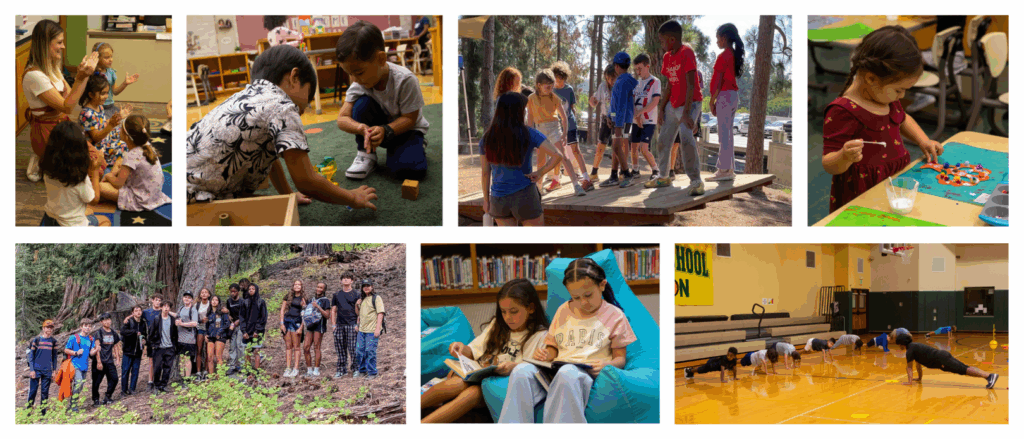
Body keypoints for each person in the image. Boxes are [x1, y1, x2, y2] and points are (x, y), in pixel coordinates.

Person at [187, 45, 376, 210]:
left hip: (183, 180)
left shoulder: (247, 95)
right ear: (294, 77)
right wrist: (352, 197)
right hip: (195, 198)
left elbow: (269, 157)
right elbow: (306, 181)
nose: (304, 109)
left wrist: (287, 194)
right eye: (308, 96)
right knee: (268, 211)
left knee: (272, 202)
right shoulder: (282, 106)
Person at [498, 258, 636, 423]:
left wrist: (608, 365)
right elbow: (553, 348)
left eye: (588, 295)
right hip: (554, 371)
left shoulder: (615, 316)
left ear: (602, 285)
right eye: (576, 297)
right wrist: (546, 355)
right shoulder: (563, 310)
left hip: (584, 374)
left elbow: (620, 358)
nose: (583, 302)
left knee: (567, 372)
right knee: (521, 370)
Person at [822, 26, 942, 213]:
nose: (901, 96)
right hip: (862, 193)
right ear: (871, 78)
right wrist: (844, 156)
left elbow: (902, 119)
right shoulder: (843, 110)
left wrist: (923, 140)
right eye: (898, 89)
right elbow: (829, 163)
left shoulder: (885, 96)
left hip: (896, 181)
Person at [422, 279, 548, 423]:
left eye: (513, 312)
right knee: (456, 383)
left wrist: (513, 367)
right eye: (503, 312)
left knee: (473, 394)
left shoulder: (539, 336)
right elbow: (474, 350)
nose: (507, 317)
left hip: (500, 386)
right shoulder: (498, 324)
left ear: (531, 308)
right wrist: (461, 349)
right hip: (481, 374)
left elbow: (533, 372)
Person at [336, 21, 430, 182]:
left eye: (358, 72)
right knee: (360, 105)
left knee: (409, 171)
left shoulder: (405, 80)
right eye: (349, 74)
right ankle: (366, 154)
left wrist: (387, 130)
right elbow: (342, 119)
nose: (354, 80)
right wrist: (361, 128)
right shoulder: (360, 83)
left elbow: (410, 118)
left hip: (407, 130)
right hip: (377, 133)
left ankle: (415, 145)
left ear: (381, 58)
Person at [481, 92, 576, 226]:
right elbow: (558, 155)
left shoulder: (487, 138)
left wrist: (486, 200)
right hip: (525, 197)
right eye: (525, 108)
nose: (527, 111)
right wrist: (540, 173)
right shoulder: (529, 133)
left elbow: (485, 173)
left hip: (498, 199)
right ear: (518, 111)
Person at [22, 19, 98, 181]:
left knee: (96, 159)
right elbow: (68, 106)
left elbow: (72, 99)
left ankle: (45, 162)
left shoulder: (52, 68)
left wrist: (84, 75)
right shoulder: (34, 75)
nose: (63, 47)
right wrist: (80, 77)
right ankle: (41, 161)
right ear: (45, 44)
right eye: (59, 42)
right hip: (47, 133)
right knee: (87, 171)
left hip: (62, 126)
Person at [648, 20, 704, 194]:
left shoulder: (686, 52)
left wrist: (687, 114)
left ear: (672, 39)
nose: (662, 45)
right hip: (673, 104)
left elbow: (691, 85)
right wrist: (662, 108)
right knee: (664, 140)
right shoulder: (667, 57)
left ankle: (696, 181)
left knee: (687, 138)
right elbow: (670, 85)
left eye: (663, 41)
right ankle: (664, 177)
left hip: (690, 103)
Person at [528, 69, 588, 196]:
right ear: (539, 85)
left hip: (554, 128)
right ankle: (538, 188)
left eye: (552, 86)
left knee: (563, 157)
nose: (551, 89)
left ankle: (576, 186)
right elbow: (530, 121)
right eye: (548, 87)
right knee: (541, 159)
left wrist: (564, 133)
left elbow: (564, 118)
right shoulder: (531, 98)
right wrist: (530, 138)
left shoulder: (555, 98)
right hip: (540, 130)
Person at [39, 121, 110, 227]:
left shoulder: (47, 169)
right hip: (72, 225)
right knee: (105, 221)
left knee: (89, 211)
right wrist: (95, 171)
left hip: (50, 220)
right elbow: (94, 200)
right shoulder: (79, 178)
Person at [98, 115, 172, 212]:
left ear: (126, 137)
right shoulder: (147, 146)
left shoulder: (131, 156)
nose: (119, 130)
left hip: (139, 199)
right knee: (119, 163)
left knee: (99, 187)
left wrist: (108, 175)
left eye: (121, 128)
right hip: (153, 195)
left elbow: (118, 184)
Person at [707, 23, 745, 182]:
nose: (716, 42)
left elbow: (717, 81)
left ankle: (723, 170)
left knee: (723, 135)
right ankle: (729, 169)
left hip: (724, 96)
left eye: (717, 39)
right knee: (728, 134)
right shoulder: (734, 55)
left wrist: (711, 100)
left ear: (724, 38)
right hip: (734, 96)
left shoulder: (722, 57)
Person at [894, 333, 998, 388]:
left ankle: (989, 376)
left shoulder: (910, 351)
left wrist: (909, 382)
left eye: (899, 345)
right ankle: (989, 376)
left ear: (902, 344)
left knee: (964, 369)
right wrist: (919, 379)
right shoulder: (914, 346)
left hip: (942, 361)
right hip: (943, 355)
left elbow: (909, 368)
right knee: (964, 368)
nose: (899, 347)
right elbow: (918, 365)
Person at [551, 61, 592, 190]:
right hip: (556, 126)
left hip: (570, 125)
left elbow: (572, 108)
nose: (559, 81)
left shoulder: (569, 89)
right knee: (558, 153)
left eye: (561, 78)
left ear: (564, 77)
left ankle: (586, 178)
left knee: (575, 150)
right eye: (556, 78)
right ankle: (556, 180)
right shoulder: (551, 90)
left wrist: (572, 123)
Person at [601, 52, 638, 189]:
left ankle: (627, 175)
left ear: (616, 66)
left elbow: (619, 106)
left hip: (621, 122)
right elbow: (622, 105)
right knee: (619, 146)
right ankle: (614, 176)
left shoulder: (620, 83)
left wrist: (616, 122)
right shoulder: (631, 80)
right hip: (628, 121)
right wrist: (611, 116)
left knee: (616, 146)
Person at [78, 74, 127, 169]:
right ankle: (112, 165)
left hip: (104, 137)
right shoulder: (87, 114)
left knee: (124, 131)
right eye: (102, 93)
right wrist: (111, 125)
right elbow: (96, 138)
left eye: (107, 93)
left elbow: (102, 123)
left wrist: (117, 118)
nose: (106, 96)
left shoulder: (99, 106)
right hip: (97, 146)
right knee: (123, 145)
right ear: (91, 94)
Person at [629, 54, 661, 181]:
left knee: (643, 148)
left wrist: (640, 113)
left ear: (647, 66)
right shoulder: (636, 83)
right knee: (633, 146)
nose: (638, 72)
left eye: (640, 68)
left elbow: (655, 102)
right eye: (636, 69)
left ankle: (655, 169)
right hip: (636, 120)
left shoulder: (655, 82)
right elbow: (632, 100)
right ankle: (635, 170)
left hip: (649, 120)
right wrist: (637, 116)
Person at [91, 42, 139, 119]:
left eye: (111, 56)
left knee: (122, 121)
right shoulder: (92, 73)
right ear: (97, 58)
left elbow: (115, 91)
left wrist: (125, 83)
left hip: (110, 107)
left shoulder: (111, 72)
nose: (110, 60)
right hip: (97, 108)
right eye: (106, 57)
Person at [587, 65, 618, 180]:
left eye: (613, 78)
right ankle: (594, 173)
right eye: (608, 78)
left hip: (618, 119)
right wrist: (592, 101)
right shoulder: (602, 86)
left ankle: (617, 173)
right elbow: (595, 101)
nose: (610, 81)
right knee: (600, 145)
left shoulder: (620, 86)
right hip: (605, 119)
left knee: (617, 146)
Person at [64, 318, 98, 411]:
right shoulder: (74, 338)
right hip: (75, 365)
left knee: (80, 386)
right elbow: (66, 350)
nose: (88, 328)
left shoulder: (91, 339)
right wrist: (75, 352)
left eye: (89, 326)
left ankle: (72, 404)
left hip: (85, 366)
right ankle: (74, 406)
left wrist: (96, 350)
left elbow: (91, 353)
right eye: (86, 326)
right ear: (81, 327)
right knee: (78, 383)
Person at [354, 279, 385, 378]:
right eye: (364, 286)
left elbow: (380, 313)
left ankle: (372, 372)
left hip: (372, 330)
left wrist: (378, 328)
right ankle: (362, 370)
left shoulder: (376, 298)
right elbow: (359, 314)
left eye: (368, 285)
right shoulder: (362, 300)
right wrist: (356, 305)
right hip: (362, 330)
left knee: (370, 351)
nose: (366, 287)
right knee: (359, 350)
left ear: (372, 287)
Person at [332, 273, 360, 378]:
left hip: (352, 324)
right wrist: (333, 325)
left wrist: (357, 323)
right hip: (339, 325)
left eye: (348, 278)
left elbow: (359, 310)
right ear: (341, 281)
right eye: (343, 279)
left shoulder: (356, 294)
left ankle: (355, 369)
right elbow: (333, 310)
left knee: (353, 348)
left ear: (352, 281)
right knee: (340, 348)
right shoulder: (336, 294)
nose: (345, 280)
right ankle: (341, 369)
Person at [26, 319, 59, 411]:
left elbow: (55, 357)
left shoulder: (53, 341)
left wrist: (54, 371)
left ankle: (43, 412)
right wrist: (32, 370)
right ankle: (28, 411)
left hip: (47, 370)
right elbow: (31, 356)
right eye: (47, 327)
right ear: (43, 328)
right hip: (36, 370)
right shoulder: (36, 340)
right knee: (33, 391)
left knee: (45, 392)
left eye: (51, 328)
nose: (49, 329)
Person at [148, 301, 179, 393]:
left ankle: (163, 385)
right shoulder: (157, 319)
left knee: (167, 367)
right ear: (161, 307)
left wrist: (174, 347)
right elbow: (151, 333)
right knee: (157, 367)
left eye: (168, 306)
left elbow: (175, 334)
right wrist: (153, 345)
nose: (166, 308)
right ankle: (156, 386)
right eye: (164, 306)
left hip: (170, 347)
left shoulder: (172, 320)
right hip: (159, 348)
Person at [90, 313, 120, 406]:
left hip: (109, 361)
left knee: (114, 379)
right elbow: (97, 347)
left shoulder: (113, 332)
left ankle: (107, 397)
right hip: (99, 361)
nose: (107, 322)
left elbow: (115, 345)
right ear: (101, 322)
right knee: (97, 382)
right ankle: (95, 400)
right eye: (105, 320)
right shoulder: (99, 332)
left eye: (109, 319)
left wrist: (118, 358)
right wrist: (99, 362)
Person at [303, 282, 332, 377]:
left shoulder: (325, 301)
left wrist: (318, 307)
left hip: (319, 326)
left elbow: (327, 316)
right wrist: (304, 306)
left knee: (316, 347)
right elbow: (307, 311)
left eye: (321, 287)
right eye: (318, 287)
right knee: (306, 347)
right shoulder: (311, 300)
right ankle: (309, 370)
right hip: (310, 326)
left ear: (324, 290)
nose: (319, 289)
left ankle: (316, 370)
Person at [281, 280, 307, 377]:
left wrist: (301, 327)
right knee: (288, 346)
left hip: (297, 323)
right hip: (287, 322)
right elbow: (282, 310)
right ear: (293, 286)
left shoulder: (304, 298)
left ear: (301, 286)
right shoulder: (288, 296)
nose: (297, 286)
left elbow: (305, 314)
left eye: (299, 284)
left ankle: (296, 368)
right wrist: (281, 323)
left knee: (296, 347)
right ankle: (288, 368)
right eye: (295, 284)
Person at [240, 283, 268, 375]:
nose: (251, 290)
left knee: (256, 351)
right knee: (247, 351)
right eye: (249, 289)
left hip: (257, 331)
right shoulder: (245, 302)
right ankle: (247, 372)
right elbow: (242, 318)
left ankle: (257, 372)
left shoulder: (261, 302)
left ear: (256, 290)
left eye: (253, 288)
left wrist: (257, 330)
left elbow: (263, 318)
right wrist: (243, 331)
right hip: (247, 331)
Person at [120, 305, 146, 396]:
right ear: (132, 313)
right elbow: (123, 331)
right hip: (128, 351)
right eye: (136, 310)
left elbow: (145, 334)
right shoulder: (129, 322)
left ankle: (132, 389)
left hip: (138, 352)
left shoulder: (143, 323)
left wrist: (144, 340)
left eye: (140, 310)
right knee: (125, 371)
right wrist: (135, 333)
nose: (138, 312)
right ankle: (123, 390)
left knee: (135, 371)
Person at [176, 292, 199, 385]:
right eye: (185, 297)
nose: (187, 299)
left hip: (189, 338)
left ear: (192, 300)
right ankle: (182, 377)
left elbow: (195, 323)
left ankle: (187, 378)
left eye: (189, 298)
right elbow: (177, 316)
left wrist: (182, 324)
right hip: (180, 338)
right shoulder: (181, 308)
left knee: (187, 359)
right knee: (181, 358)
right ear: (182, 298)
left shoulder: (193, 310)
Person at [205, 295, 231, 376]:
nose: (214, 301)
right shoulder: (209, 313)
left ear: (219, 302)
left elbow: (227, 324)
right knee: (210, 357)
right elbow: (207, 325)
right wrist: (206, 334)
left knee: (218, 357)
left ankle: (220, 377)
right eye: (213, 300)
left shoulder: (223, 312)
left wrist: (219, 333)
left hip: (220, 337)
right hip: (210, 337)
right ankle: (211, 376)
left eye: (216, 300)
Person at [141, 294, 162, 391]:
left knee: (160, 360)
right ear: (152, 300)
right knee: (151, 360)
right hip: (151, 338)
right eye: (156, 300)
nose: (158, 302)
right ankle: (150, 381)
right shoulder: (146, 312)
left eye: (160, 300)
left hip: (162, 338)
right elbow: (136, 315)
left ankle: (159, 380)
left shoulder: (163, 311)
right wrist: (127, 318)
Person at [193, 288, 213, 380]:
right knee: (199, 349)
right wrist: (201, 320)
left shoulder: (212, 304)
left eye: (206, 292)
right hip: (200, 328)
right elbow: (193, 317)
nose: (204, 294)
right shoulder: (197, 305)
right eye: (202, 293)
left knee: (208, 351)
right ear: (200, 295)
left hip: (209, 329)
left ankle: (206, 371)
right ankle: (198, 372)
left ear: (209, 294)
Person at [225, 284, 245, 375]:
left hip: (241, 325)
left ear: (238, 292)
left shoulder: (242, 301)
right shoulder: (229, 301)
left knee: (240, 345)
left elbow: (245, 314)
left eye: (234, 291)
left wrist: (239, 321)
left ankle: (241, 365)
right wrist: (229, 318)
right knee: (232, 345)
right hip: (232, 325)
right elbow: (228, 312)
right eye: (231, 291)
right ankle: (232, 365)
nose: (232, 293)